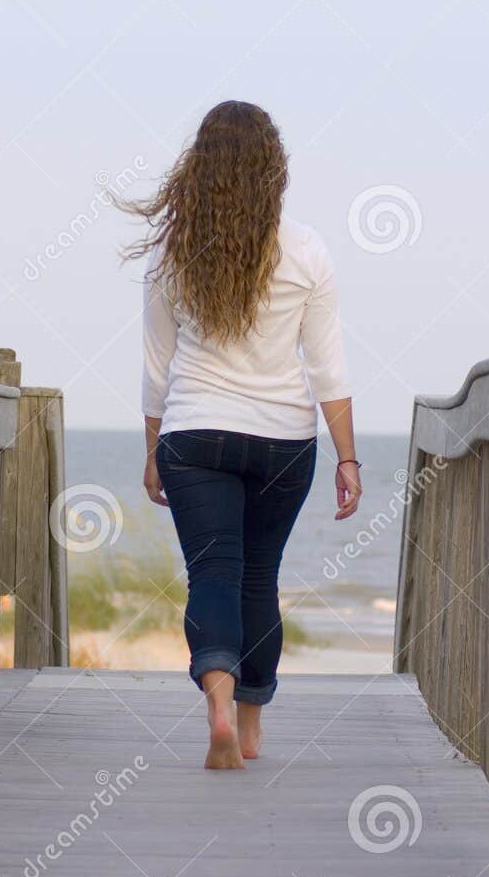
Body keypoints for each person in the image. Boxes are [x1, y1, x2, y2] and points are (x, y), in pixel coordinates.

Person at [122, 100, 361, 770]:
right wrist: (348, 458)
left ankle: (218, 709)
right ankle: (251, 731)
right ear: (273, 170)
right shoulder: (307, 249)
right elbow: (327, 367)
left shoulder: (172, 253)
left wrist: (150, 455)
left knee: (213, 572)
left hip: (194, 434)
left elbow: (156, 371)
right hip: (284, 439)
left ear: (198, 168)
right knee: (259, 575)